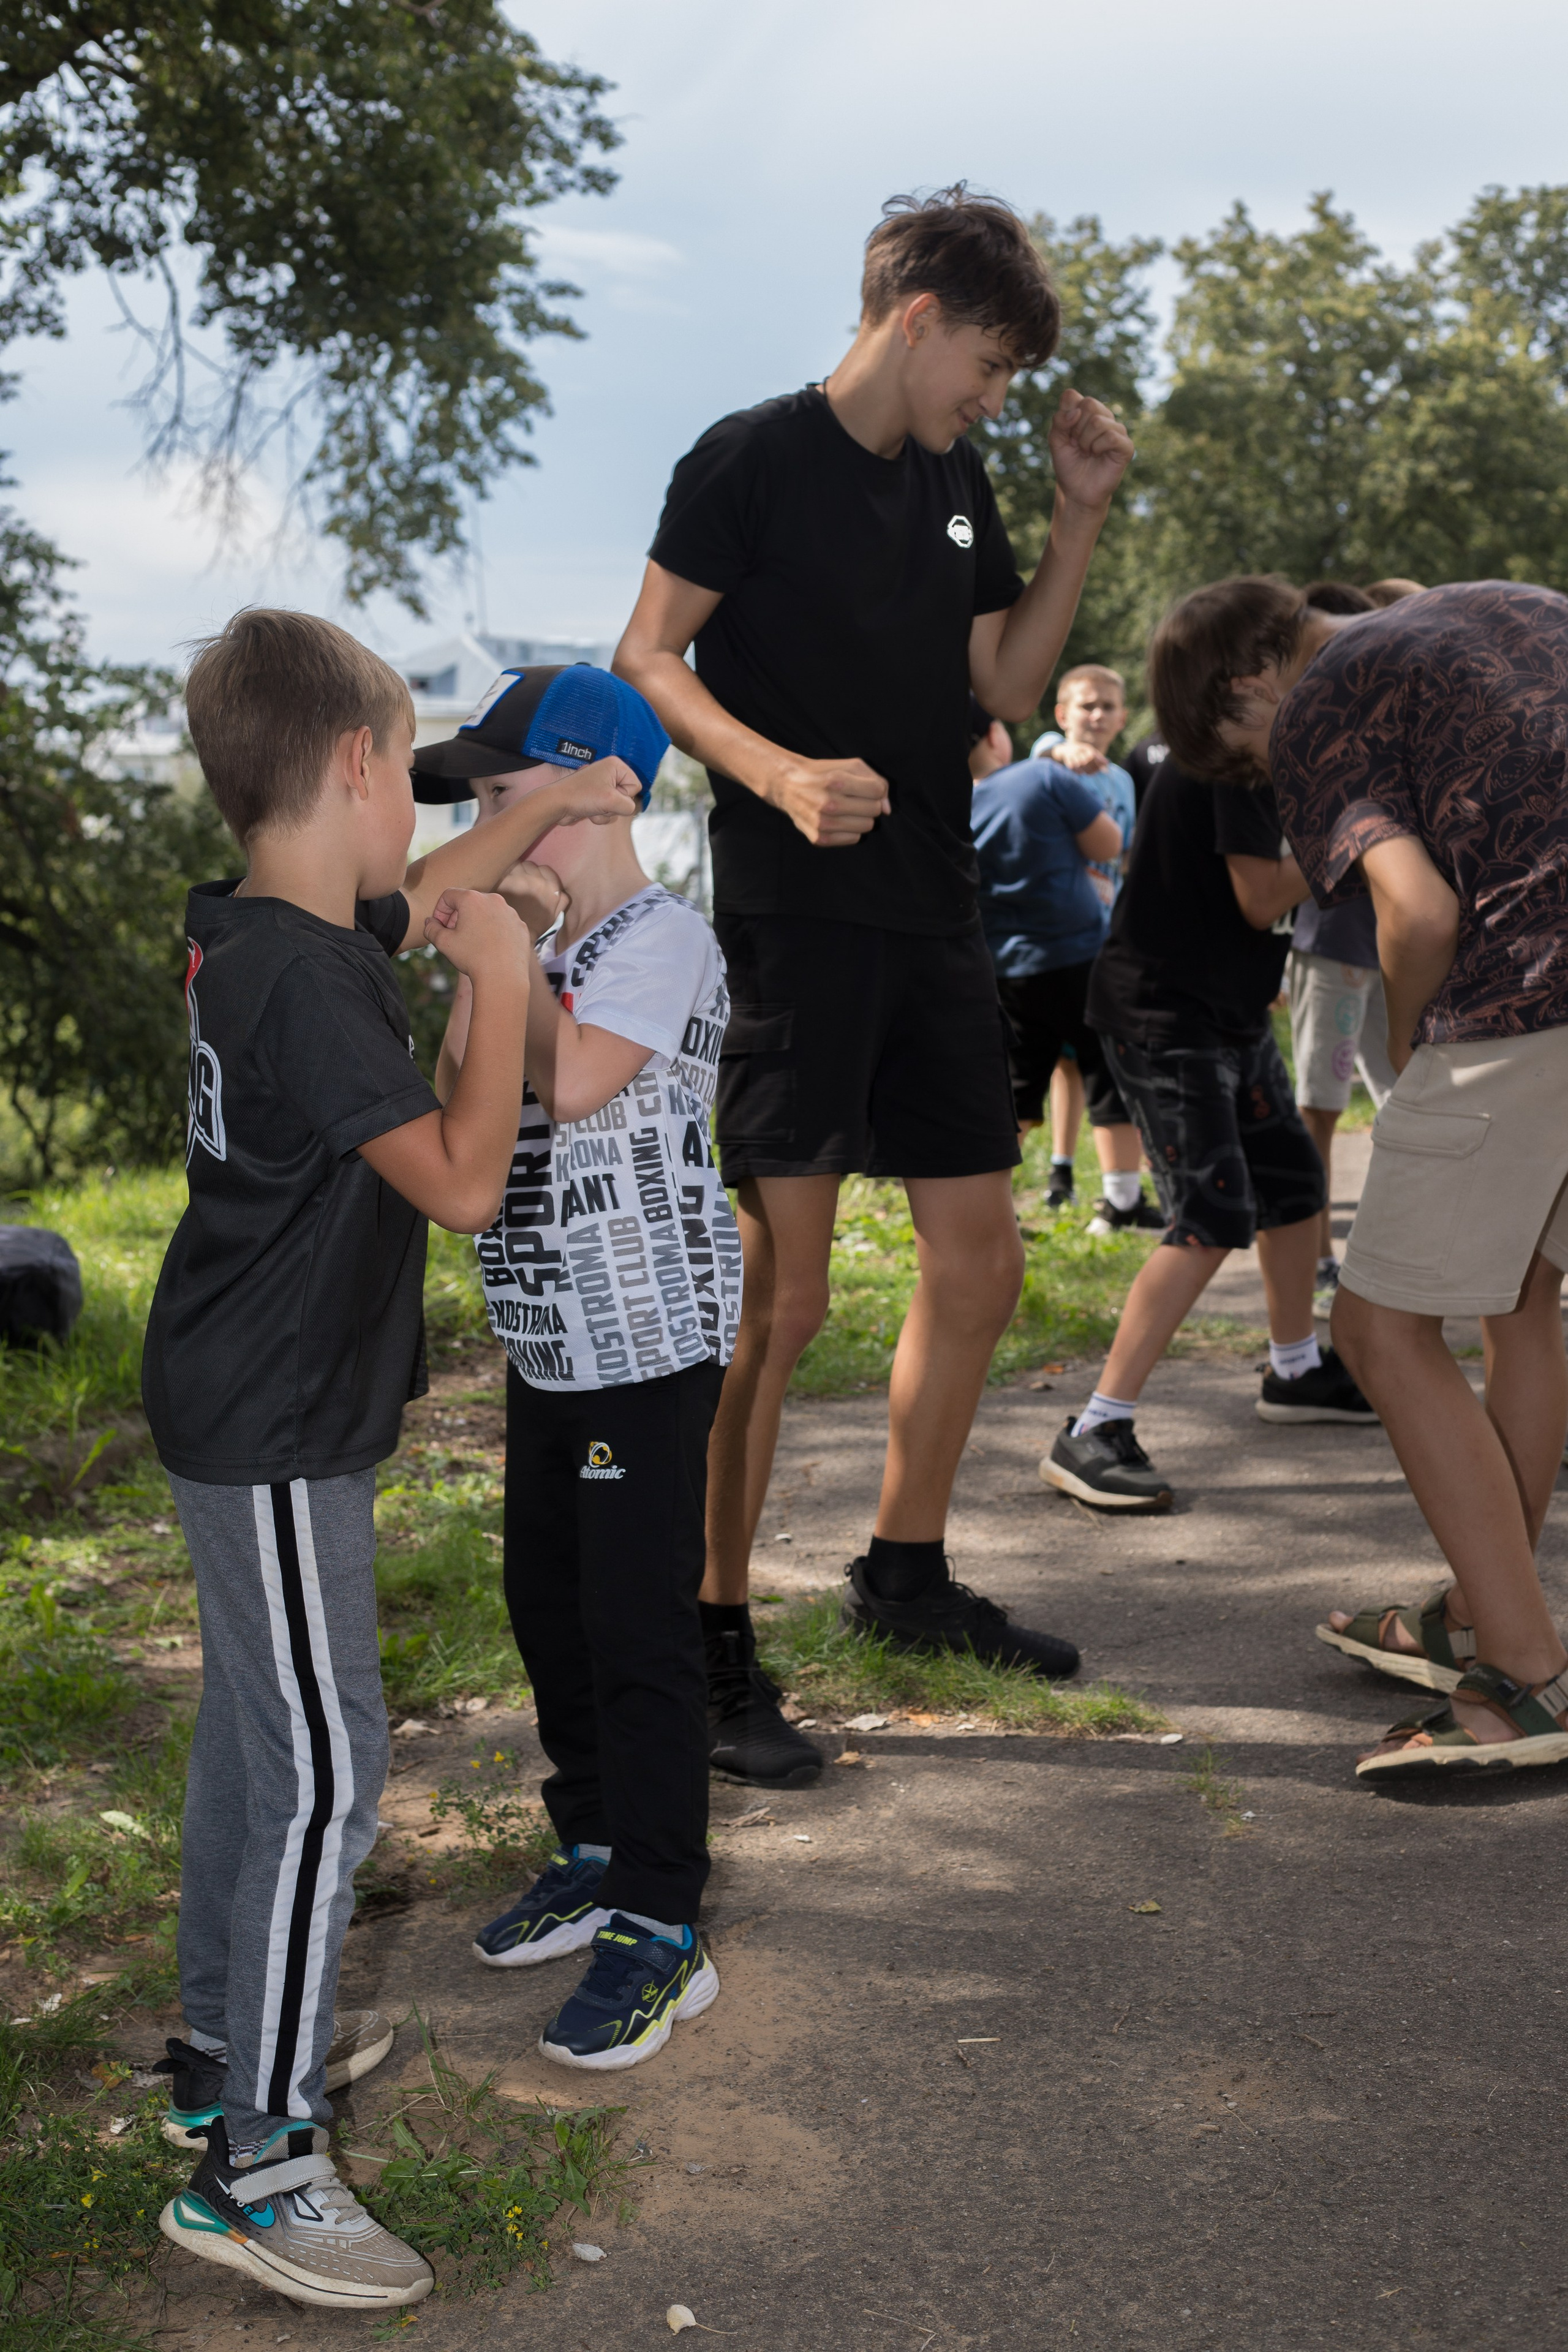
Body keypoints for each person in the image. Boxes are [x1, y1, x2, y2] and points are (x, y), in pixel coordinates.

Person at [141, 614, 639, 2307]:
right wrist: (504, 979)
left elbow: (428, 882)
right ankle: (261, 2162)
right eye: (403, 779)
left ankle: (219, 2040)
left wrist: (544, 801)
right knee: (329, 1770)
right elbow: (462, 1182)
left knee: (254, 1727)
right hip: (274, 1420)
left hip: (248, 1399)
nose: (424, 849)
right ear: (359, 765)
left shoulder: (266, 925)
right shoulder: (304, 980)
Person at [615, 186, 1134, 1784]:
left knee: (976, 1268)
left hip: (933, 920)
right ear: (918, 321)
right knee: (786, 1298)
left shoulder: (962, 483)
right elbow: (647, 655)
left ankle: (902, 1575)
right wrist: (773, 776)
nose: (993, 394)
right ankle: (705, 1640)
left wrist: (1076, 519)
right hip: (798, 916)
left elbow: (1002, 684)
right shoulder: (749, 457)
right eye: (986, 363)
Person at [1155, 574, 1568, 1779]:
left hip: (1525, 990)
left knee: (1380, 1330)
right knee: (1520, 1299)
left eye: (1240, 763)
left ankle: (1524, 1684)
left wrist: (1406, 1042)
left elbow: (1417, 907)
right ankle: (1480, 1609)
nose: (1260, 780)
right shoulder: (1493, 601)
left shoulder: (1315, 705)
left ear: (1244, 687)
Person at [420, 666, 740, 2064]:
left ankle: (663, 1918)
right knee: (546, 1601)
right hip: (548, 1341)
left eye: (503, 798)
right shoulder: (537, 940)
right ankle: (599, 1839)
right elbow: (458, 1085)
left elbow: (577, 1081)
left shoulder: (664, 938)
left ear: (591, 790)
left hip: (647, 1352)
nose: (487, 828)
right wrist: (497, 958)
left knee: (635, 1626)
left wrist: (512, 954)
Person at [1041, 732, 1377, 1513]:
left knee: (1294, 1187)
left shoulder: (1278, 758)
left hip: (1227, 1015)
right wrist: (1360, 837)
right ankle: (1095, 1426)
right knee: (1211, 1212)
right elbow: (1261, 895)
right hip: (1165, 1017)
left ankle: (1294, 1373)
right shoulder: (1234, 762)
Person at [969, 717, 1150, 1247]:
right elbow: (1108, 845)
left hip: (1006, 969)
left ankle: (989, 1213)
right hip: (1079, 957)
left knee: (1018, 1090)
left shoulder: (949, 805)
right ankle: (1121, 1201)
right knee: (1107, 1074)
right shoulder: (1042, 780)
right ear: (994, 736)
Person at [1287, 584, 1413, 1316]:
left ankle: (1393, 1251)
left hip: (1389, 948)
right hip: (1332, 946)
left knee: (1406, 1100)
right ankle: (1318, 1254)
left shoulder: (1398, 713)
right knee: (1321, 1104)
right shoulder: (1317, 718)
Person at [1025, 665, 1163, 1231]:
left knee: (1109, 1063)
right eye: (1086, 706)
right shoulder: (1048, 759)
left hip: (1105, 940)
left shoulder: (1126, 781)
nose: (1097, 716)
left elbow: (1125, 855)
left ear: (1125, 718)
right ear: (1062, 714)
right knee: (1046, 1066)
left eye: (1108, 706)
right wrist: (1059, 750)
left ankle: (1121, 1197)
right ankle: (1049, 1175)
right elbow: (1038, 762)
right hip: (1049, 942)